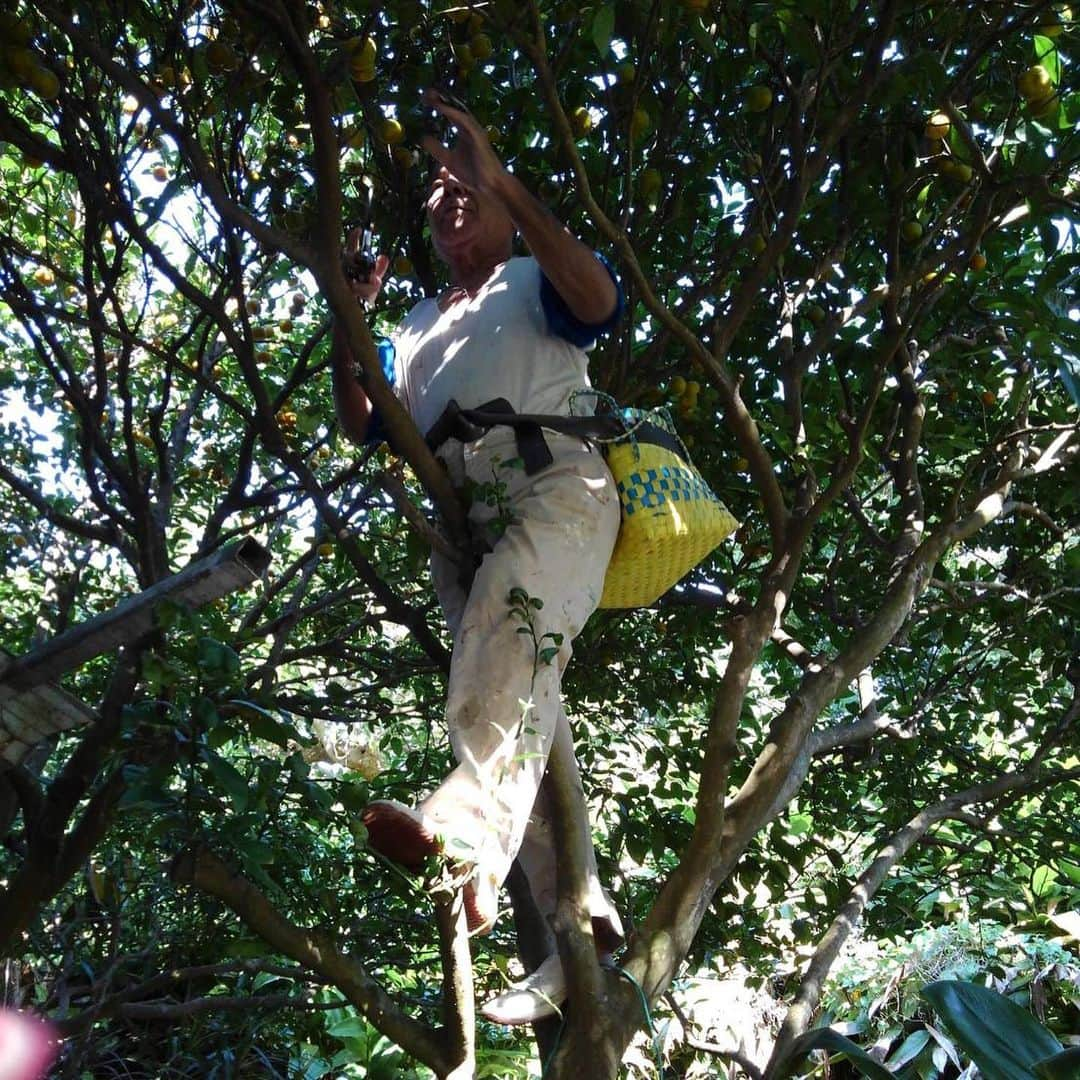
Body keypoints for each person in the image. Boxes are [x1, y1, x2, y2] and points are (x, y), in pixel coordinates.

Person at [331, 89, 624, 1025]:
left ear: (502, 205)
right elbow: (362, 422)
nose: (452, 196)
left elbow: (601, 301)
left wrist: (505, 176)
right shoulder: (416, 325)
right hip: (464, 527)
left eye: (471, 186)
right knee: (521, 711)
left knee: (503, 647)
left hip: (554, 489)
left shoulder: (534, 278)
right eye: (440, 191)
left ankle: (460, 837)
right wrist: (350, 313)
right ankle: (586, 930)